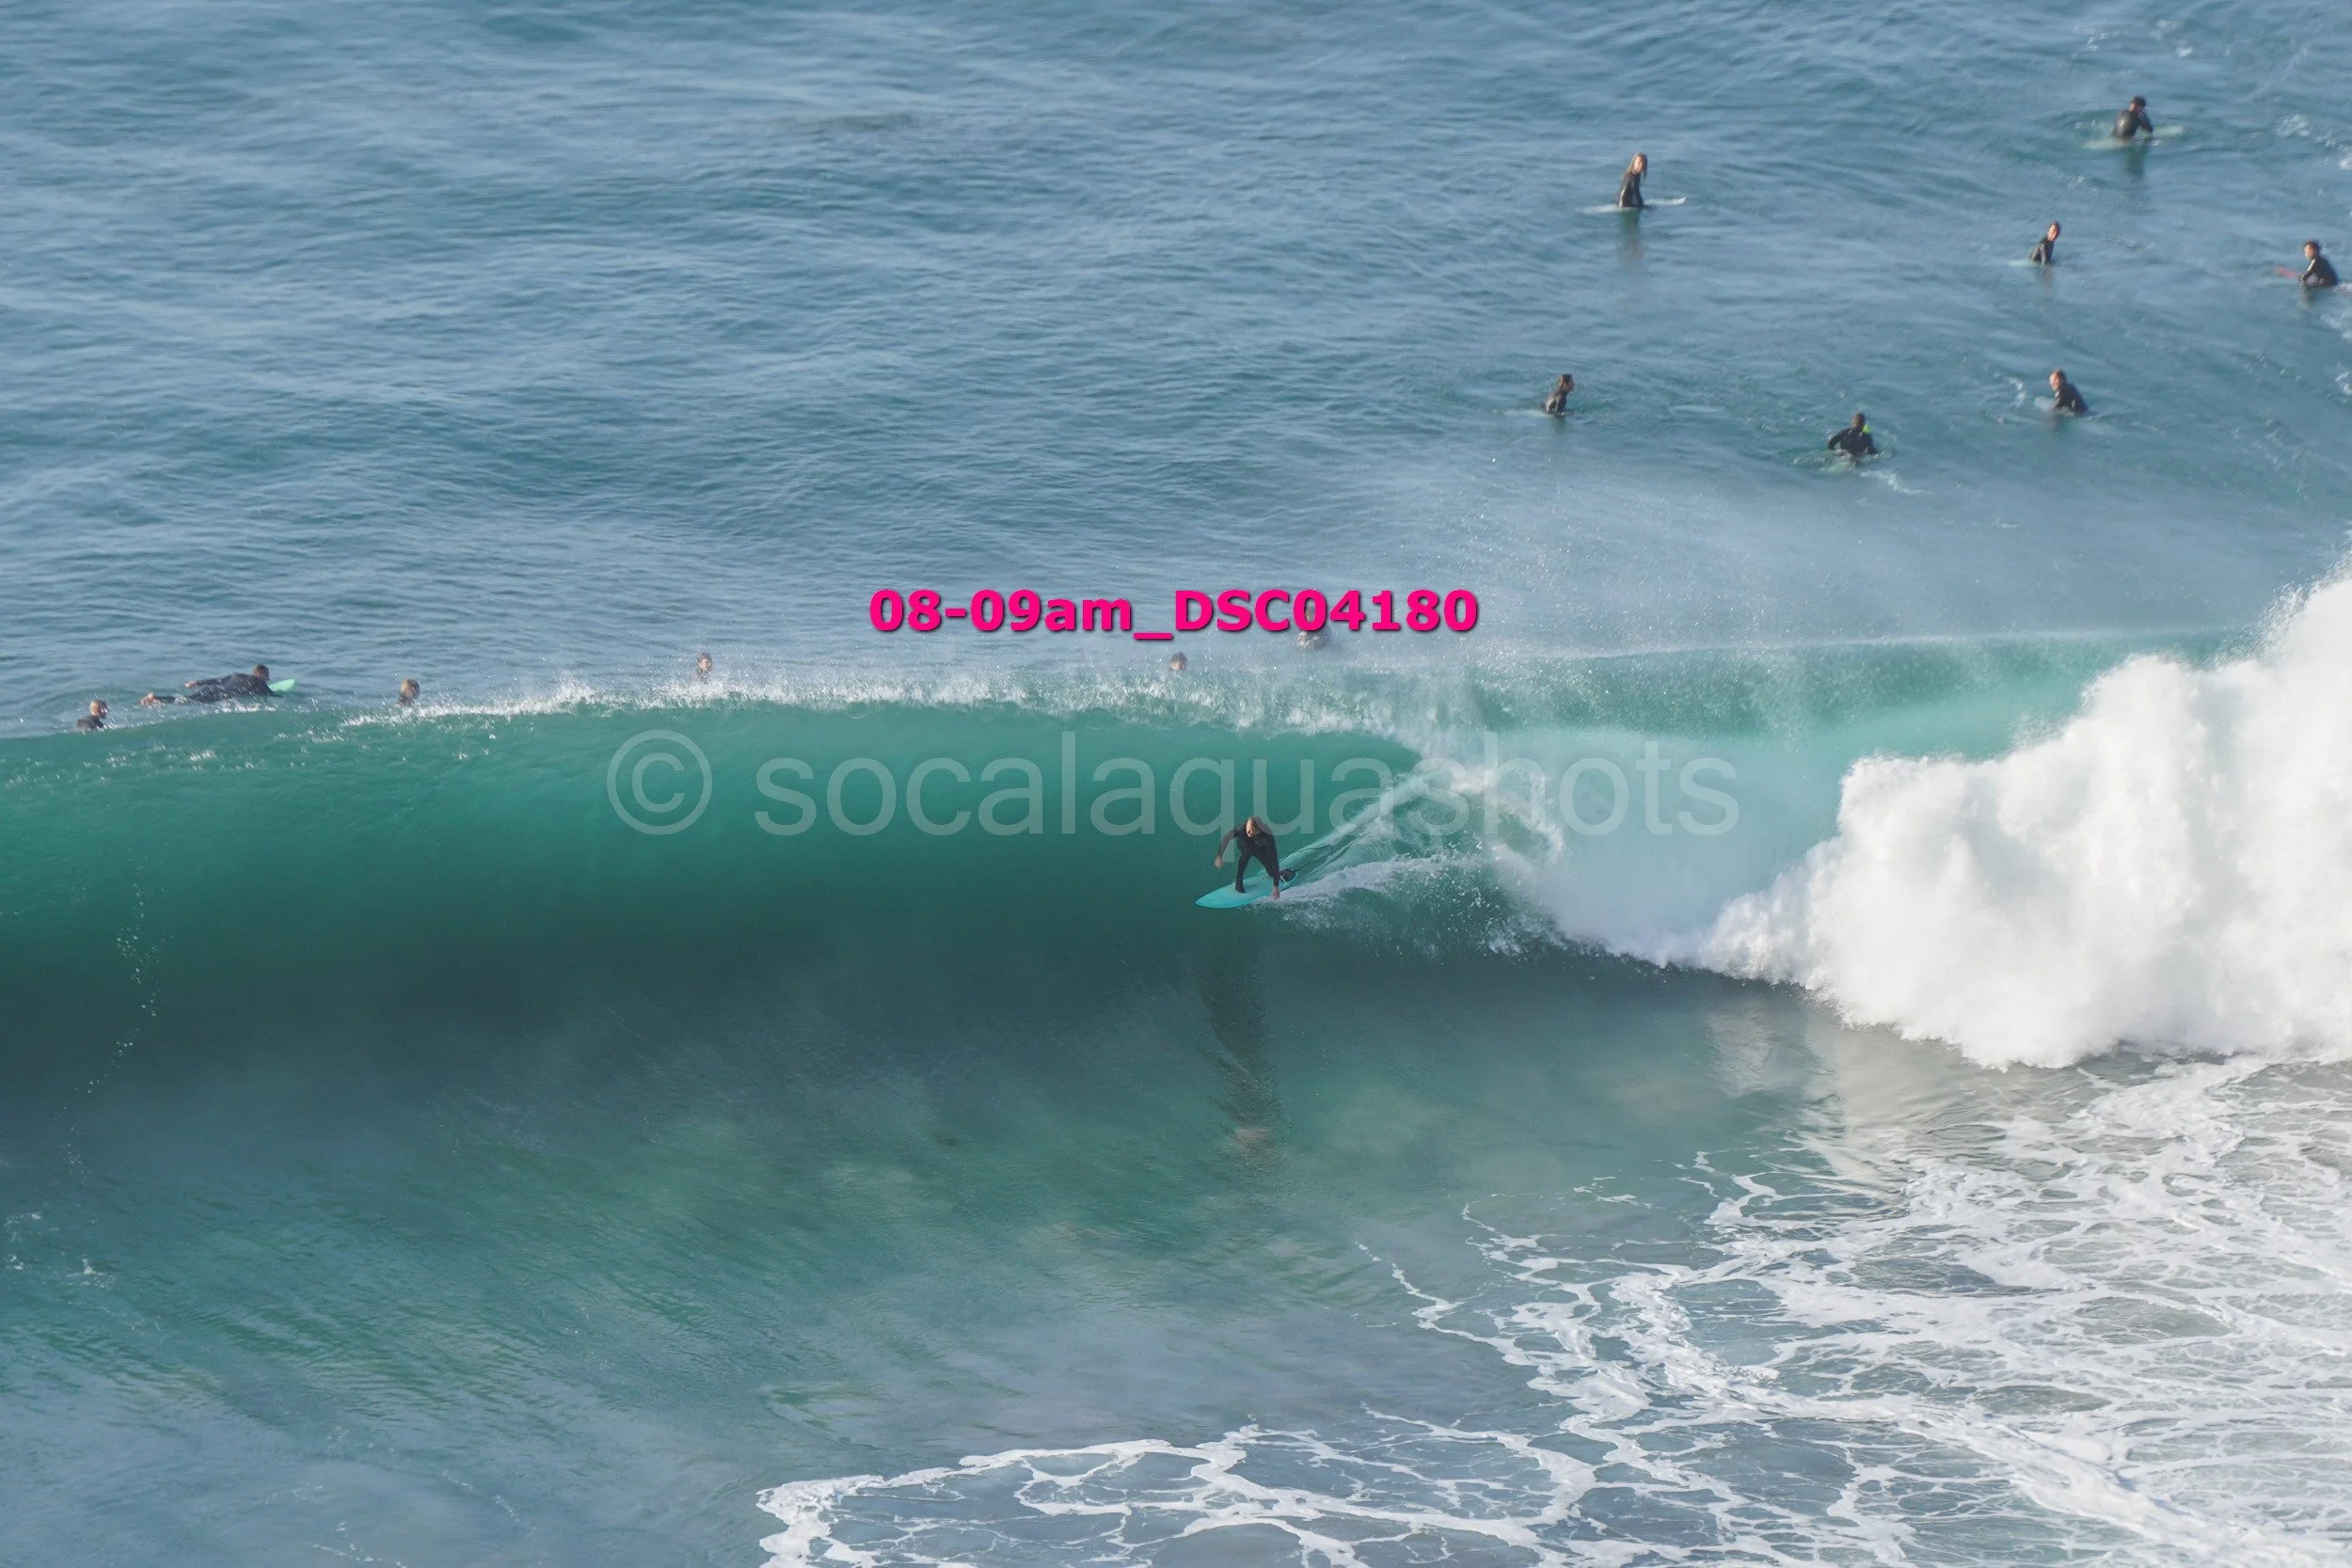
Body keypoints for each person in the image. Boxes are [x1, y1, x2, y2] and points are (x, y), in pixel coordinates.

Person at [1215, 816, 1296, 899]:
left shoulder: (1267, 835)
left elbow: (1274, 859)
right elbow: (1227, 837)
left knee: (1272, 872)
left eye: (1251, 831)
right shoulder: (1243, 828)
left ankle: (1278, 875)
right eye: (1248, 829)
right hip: (1243, 844)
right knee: (1246, 853)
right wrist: (1219, 855)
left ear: (1258, 830)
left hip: (1260, 848)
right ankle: (1239, 880)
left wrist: (1275, 886)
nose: (1248, 832)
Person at [141, 664, 273, 705]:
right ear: (261, 674)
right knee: (189, 702)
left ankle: (156, 698)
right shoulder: (261, 685)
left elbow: (218, 680)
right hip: (220, 695)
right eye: (266, 675)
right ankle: (156, 699)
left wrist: (197, 683)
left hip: (211, 688)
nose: (268, 678)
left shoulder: (236, 675)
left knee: (188, 699)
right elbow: (272, 695)